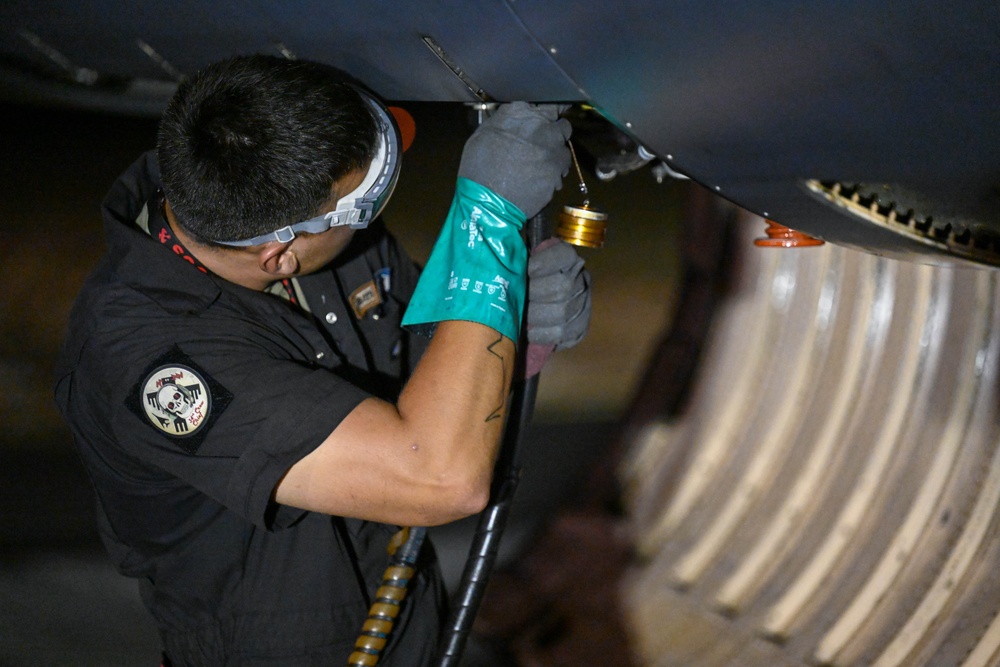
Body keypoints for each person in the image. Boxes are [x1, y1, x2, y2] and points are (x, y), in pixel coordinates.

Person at [54, 54, 590, 666]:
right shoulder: (148, 357)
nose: (371, 225)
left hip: (407, 622)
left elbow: (421, 353)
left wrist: (504, 328)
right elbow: (438, 477)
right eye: (361, 207)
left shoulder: (271, 205)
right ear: (279, 256)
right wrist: (486, 228)